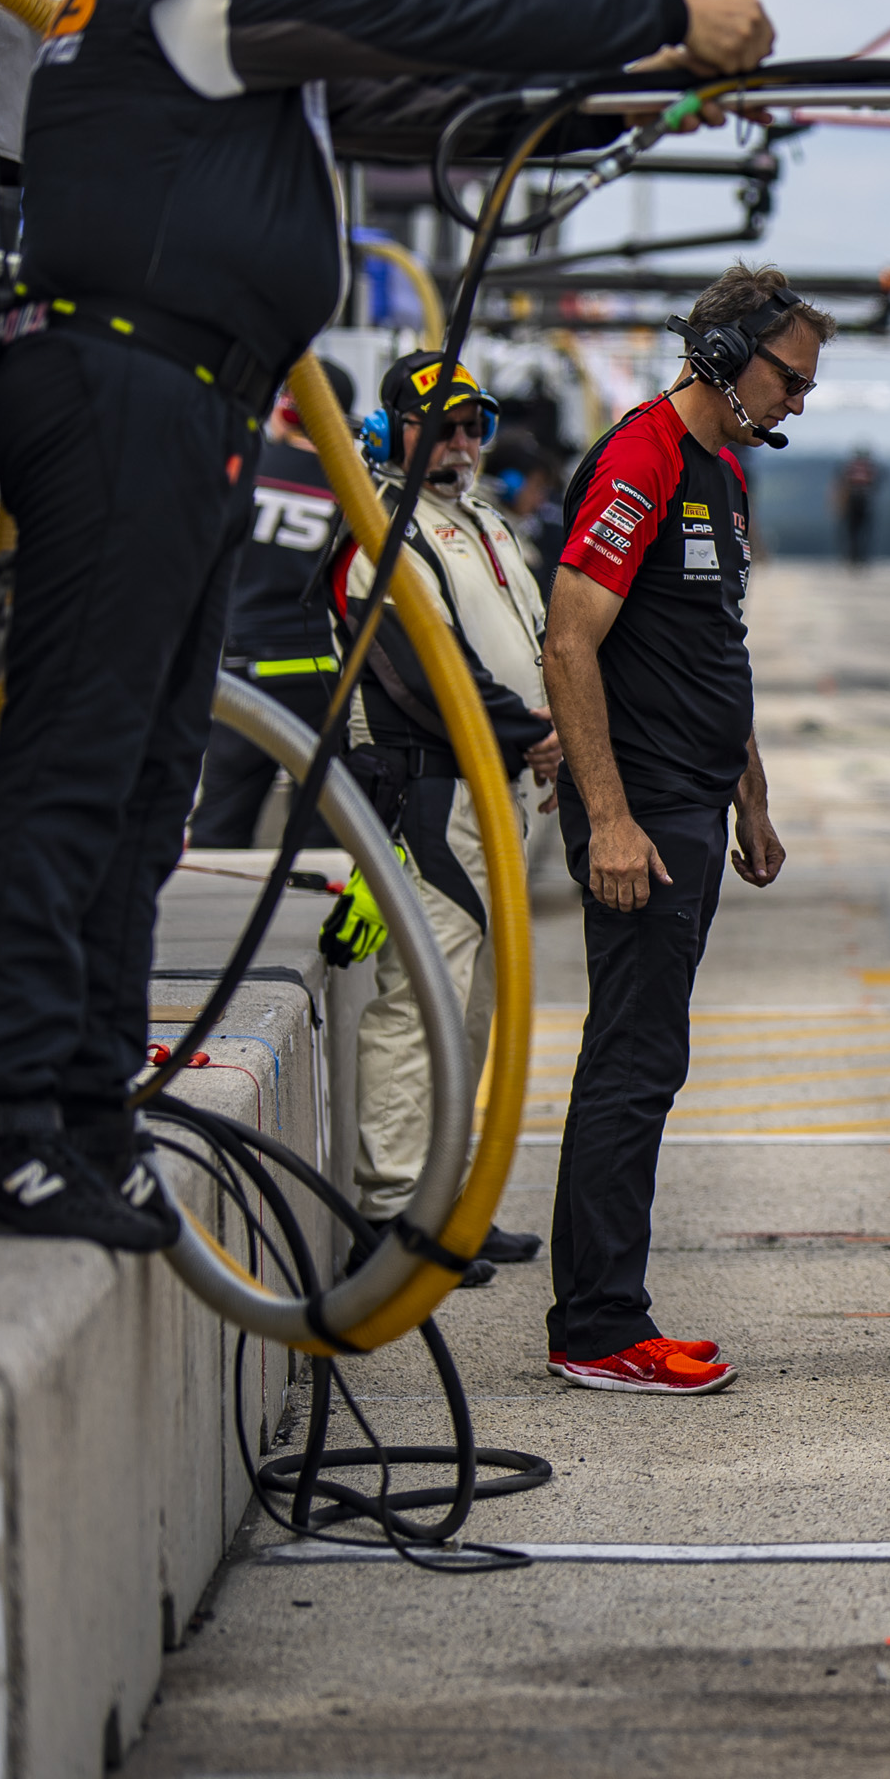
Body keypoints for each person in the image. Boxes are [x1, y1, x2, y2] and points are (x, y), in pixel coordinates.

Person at [0, 0, 772, 1250]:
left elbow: (419, 104)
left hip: (174, 399)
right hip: (129, 395)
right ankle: (7, 1121)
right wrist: (664, 6)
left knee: (141, 775)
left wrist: (642, 91)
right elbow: (428, 10)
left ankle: (80, 1115)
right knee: (82, 764)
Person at [539, 264, 819, 1394]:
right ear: (724, 356)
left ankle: (603, 1313)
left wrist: (752, 795)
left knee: (647, 1056)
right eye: (789, 378)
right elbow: (569, 641)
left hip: (696, 803)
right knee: (633, 1058)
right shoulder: (641, 458)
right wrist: (609, 818)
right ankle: (600, 1328)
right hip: (643, 814)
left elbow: (716, 647)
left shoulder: (722, 474)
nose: (798, 400)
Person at [336, 352, 559, 1273]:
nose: (460, 442)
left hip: (495, 788)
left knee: (473, 1007)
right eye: (439, 427)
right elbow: (425, 671)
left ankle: (452, 1202)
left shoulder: (483, 522)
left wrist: (552, 736)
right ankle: (394, 1215)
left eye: (473, 426)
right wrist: (533, 732)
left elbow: (534, 642)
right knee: (419, 999)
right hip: (427, 788)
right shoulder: (377, 531)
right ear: (390, 433)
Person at [189, 357, 356, 848]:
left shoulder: (245, 466)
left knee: (219, 824)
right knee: (324, 831)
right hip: (325, 675)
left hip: (244, 673)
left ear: (284, 410)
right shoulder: (357, 489)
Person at [831, 445, 882, 569]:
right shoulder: (868, 468)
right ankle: (857, 558)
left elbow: (842, 483)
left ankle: (854, 558)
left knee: (853, 532)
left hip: (854, 502)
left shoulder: (850, 468)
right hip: (862, 501)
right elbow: (876, 483)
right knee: (860, 532)